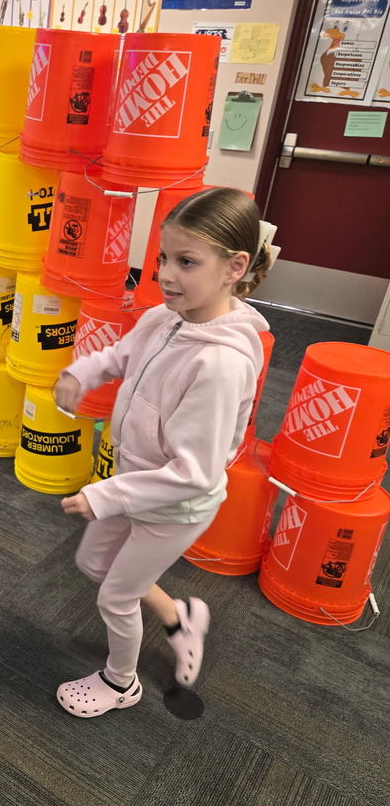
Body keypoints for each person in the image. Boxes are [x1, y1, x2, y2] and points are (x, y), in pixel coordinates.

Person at [54, 187, 277, 718]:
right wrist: (81, 372)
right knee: (94, 563)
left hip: (176, 505)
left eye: (186, 261)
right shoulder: (165, 318)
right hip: (137, 485)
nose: (165, 274)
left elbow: (194, 475)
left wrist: (107, 494)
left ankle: (120, 682)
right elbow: (120, 354)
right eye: (162, 259)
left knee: (115, 597)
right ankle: (180, 617)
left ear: (234, 267)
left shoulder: (220, 366)